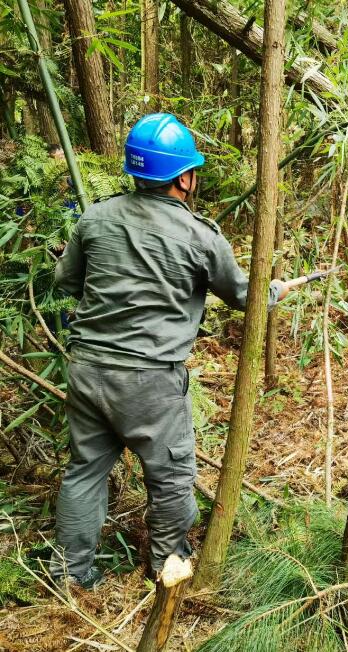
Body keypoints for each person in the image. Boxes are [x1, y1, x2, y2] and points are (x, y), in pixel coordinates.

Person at [51, 113, 300, 589]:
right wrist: (275, 290)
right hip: (149, 381)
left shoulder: (96, 217)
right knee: (170, 476)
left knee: (84, 471)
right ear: (184, 176)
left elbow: (65, 280)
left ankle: (71, 575)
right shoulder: (200, 235)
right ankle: (167, 564)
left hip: (87, 370)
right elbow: (244, 296)